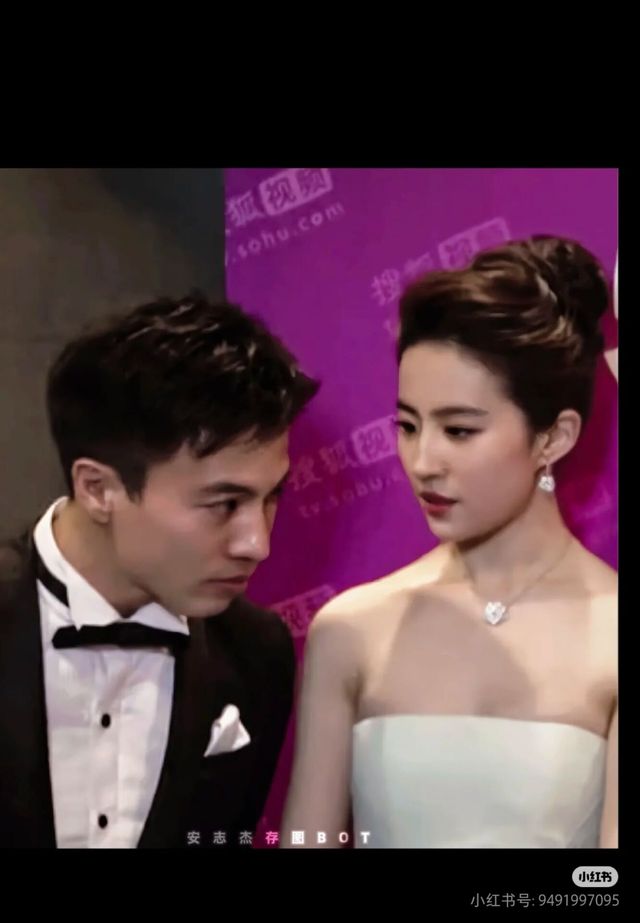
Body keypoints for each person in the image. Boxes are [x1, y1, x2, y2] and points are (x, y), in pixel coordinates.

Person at [281, 236, 617, 849]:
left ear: (554, 437)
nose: (422, 462)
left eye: (459, 430)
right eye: (408, 426)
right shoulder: (352, 629)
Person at [0, 293, 319, 848]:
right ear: (98, 489)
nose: (257, 544)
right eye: (223, 504)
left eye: (271, 498)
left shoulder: (257, 653)